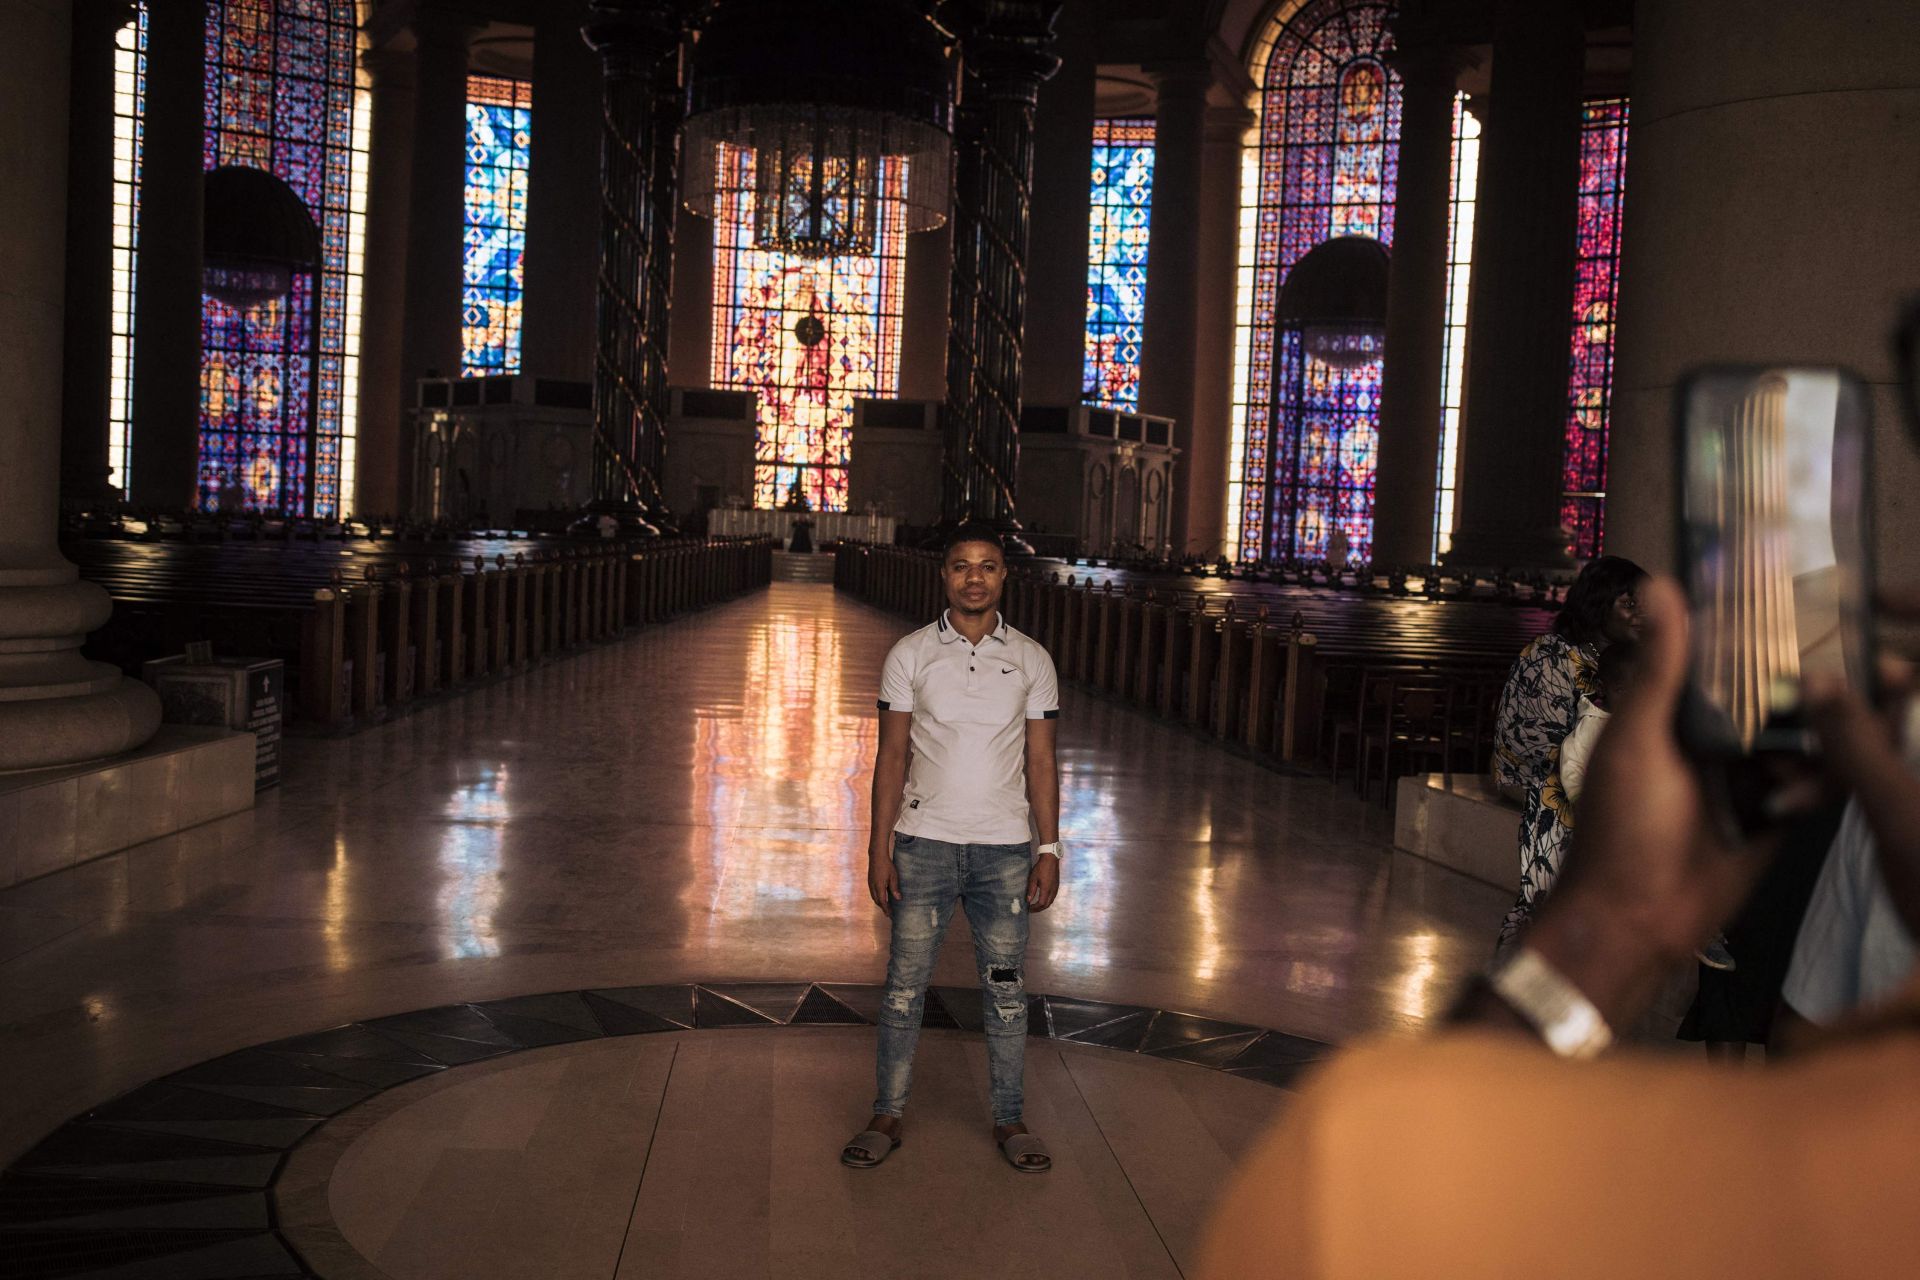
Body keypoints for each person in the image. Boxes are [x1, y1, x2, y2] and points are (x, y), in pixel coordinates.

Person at [1196, 577, 1920, 1278]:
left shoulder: (1354, 1171)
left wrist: (1605, 925)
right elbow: (1815, 1039)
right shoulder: (1862, 1162)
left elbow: (1400, 1163)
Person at [840, 523, 1063, 1173]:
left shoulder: (1032, 659)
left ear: (1004, 576)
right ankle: (886, 1113)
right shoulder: (910, 654)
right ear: (944, 575)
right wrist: (878, 849)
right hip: (924, 846)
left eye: (987, 566)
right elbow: (891, 756)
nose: (974, 577)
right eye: (962, 565)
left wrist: (1049, 848)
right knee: (904, 988)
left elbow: (1042, 761)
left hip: (1003, 852)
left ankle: (1009, 1117)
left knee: (1006, 990)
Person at [1492, 555, 1648, 948]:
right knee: (1565, 801)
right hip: (1534, 773)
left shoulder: (1630, 661)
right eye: (1629, 604)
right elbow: (1541, 748)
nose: (1641, 614)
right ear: (1598, 605)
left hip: (1596, 773)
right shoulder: (1550, 656)